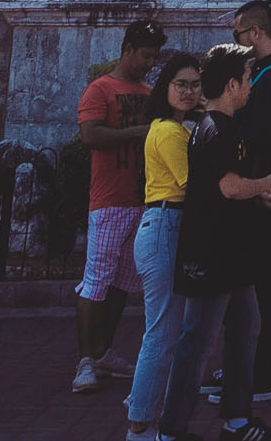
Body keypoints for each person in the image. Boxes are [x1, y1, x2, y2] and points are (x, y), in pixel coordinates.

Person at [169, 45, 271, 441]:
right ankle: (170, 430)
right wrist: (267, 183)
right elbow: (229, 186)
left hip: (233, 253)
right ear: (231, 84)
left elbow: (235, 189)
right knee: (196, 343)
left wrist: (265, 197)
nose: (252, 86)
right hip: (211, 254)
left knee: (245, 329)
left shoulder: (226, 128)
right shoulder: (216, 129)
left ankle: (237, 419)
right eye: (247, 77)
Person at [202, 0, 271, 413]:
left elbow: (258, 139)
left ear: (255, 33)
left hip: (256, 194)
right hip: (262, 189)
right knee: (250, 284)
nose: (235, 40)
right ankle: (245, 364)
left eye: (237, 33)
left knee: (256, 289)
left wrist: (257, 186)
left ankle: (257, 374)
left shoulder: (268, 78)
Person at [121, 53, 216, 441]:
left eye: (195, 85)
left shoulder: (174, 127)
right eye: (181, 85)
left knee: (164, 333)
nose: (189, 92)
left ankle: (147, 416)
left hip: (164, 226)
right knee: (161, 335)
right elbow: (195, 184)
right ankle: (139, 424)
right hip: (165, 226)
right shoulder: (170, 133)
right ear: (166, 88)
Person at [71, 20, 167, 393]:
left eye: (154, 57)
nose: (149, 63)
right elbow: (90, 134)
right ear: (127, 49)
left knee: (123, 281)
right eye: (145, 56)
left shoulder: (148, 92)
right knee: (96, 278)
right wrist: (137, 133)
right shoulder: (101, 89)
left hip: (140, 197)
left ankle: (102, 351)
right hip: (109, 198)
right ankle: (85, 359)